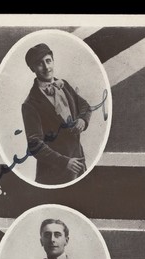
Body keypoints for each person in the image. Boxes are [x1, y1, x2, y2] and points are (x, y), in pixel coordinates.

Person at [21, 43, 92, 185]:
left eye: (48, 61)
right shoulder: (30, 104)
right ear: (32, 68)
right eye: (40, 64)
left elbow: (85, 106)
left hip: (79, 163)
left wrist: (83, 120)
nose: (46, 67)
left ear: (53, 61)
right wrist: (64, 162)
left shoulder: (63, 85)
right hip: (53, 173)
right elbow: (34, 145)